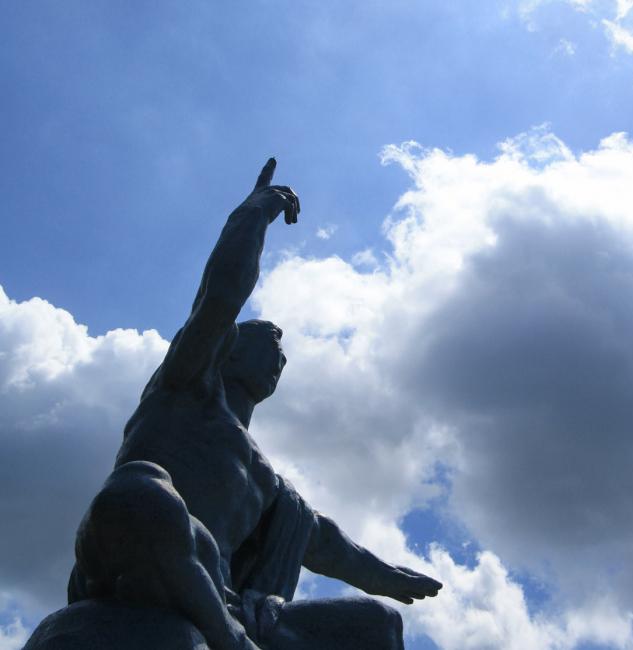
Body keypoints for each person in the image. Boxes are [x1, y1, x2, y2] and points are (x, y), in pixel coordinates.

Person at [67, 159, 442, 650]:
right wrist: (253, 214)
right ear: (228, 349)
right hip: (140, 563)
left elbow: (325, 543)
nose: (280, 354)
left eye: (283, 353)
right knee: (140, 491)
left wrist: (387, 578)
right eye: (270, 340)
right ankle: (225, 636)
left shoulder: (269, 485)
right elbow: (219, 298)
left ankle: (226, 629)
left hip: (223, 599)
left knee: (377, 623)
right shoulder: (182, 389)